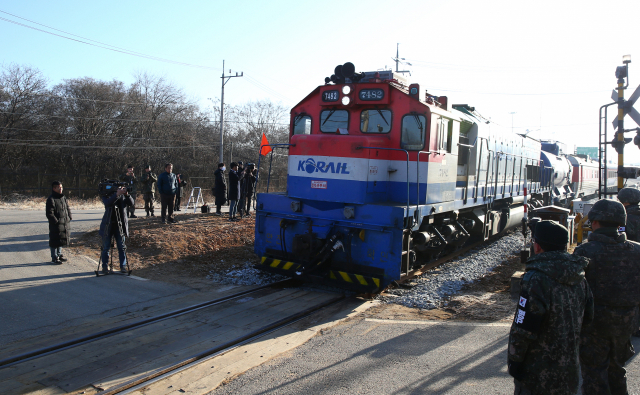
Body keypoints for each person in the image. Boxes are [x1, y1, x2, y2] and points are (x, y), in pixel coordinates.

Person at [507, 220, 593, 395]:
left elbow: (523, 328)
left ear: (537, 247)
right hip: (569, 371)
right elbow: (589, 317)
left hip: (536, 374)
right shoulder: (579, 277)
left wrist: (514, 361)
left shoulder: (535, 279)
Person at [573, 199, 640, 395]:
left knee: (594, 374)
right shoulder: (637, 250)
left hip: (594, 325)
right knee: (617, 370)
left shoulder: (584, 251)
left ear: (594, 222)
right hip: (626, 324)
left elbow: (576, 291)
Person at [99, 184, 134, 274]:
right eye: (119, 188)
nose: (121, 189)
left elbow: (131, 203)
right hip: (108, 224)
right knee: (106, 247)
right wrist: (116, 195)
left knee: (122, 247)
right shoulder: (106, 194)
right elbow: (107, 203)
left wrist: (126, 194)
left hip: (120, 225)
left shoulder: (123, 196)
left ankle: (123, 266)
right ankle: (105, 267)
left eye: (122, 188)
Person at [45, 181, 72, 264]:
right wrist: (56, 221)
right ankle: (54, 257)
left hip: (64, 222)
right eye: (59, 188)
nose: (61, 189)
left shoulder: (63, 198)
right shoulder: (51, 199)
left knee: (61, 239)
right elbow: (49, 213)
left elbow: (67, 208)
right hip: (56, 224)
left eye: (61, 187)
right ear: (54, 188)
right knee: (54, 240)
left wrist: (69, 217)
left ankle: (59, 254)